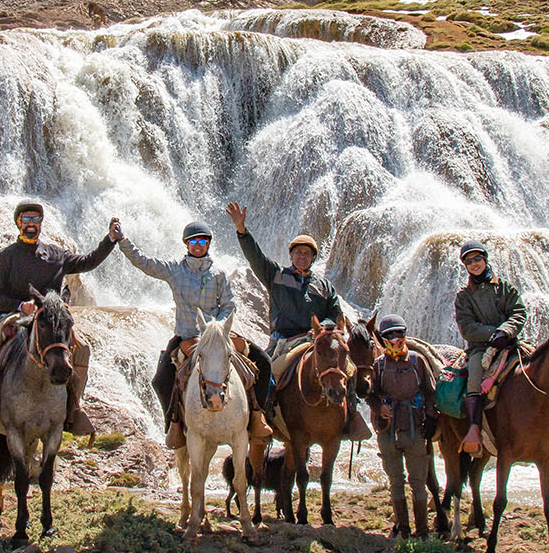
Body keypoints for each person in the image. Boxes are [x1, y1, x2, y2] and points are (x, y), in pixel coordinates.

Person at [115, 219, 272, 449]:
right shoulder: (175, 270)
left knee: (263, 362)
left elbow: (229, 304)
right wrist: (122, 240)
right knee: (161, 379)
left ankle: (257, 415)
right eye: (193, 241)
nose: (198, 245)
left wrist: (216, 327)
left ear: (208, 244)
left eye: (202, 241)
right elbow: (144, 262)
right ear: (186, 245)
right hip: (187, 335)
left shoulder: (218, 274)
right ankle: (174, 425)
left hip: (217, 336)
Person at [0, 200, 117, 437]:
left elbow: (87, 262)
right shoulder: (5, 256)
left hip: (50, 320)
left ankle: (73, 409)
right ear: (18, 223)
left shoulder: (56, 255)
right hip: (11, 316)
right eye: (26, 220)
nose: (30, 225)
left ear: (41, 224)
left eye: (35, 220)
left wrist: (110, 240)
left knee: (83, 349)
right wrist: (19, 305)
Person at [224, 201, 371, 442]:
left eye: (307, 253)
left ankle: (351, 417)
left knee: (351, 371)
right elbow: (256, 257)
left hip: (316, 340)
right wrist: (242, 230)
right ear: (291, 255)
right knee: (266, 373)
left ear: (313, 258)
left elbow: (335, 314)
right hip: (284, 341)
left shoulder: (324, 286)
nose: (302, 256)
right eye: (298, 252)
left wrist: (323, 328)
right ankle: (263, 416)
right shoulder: (276, 276)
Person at [453, 240, 525, 455]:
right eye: (469, 261)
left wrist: (506, 331)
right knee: (474, 379)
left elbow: (519, 312)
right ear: (465, 266)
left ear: (485, 259)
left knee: (546, 368)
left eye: (477, 259)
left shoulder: (505, 287)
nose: (474, 264)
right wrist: (492, 334)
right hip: (480, 349)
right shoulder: (463, 296)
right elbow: (466, 326)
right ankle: (474, 430)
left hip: (510, 343)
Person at [368, 314, 435, 540]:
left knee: (418, 482)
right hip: (388, 432)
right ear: (384, 339)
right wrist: (379, 408)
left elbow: (430, 393)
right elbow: (370, 394)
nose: (396, 339)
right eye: (390, 335)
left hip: (415, 428)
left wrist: (431, 420)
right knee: (396, 481)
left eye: (399, 334)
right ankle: (404, 530)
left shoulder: (418, 361)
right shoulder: (379, 365)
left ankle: (423, 531)